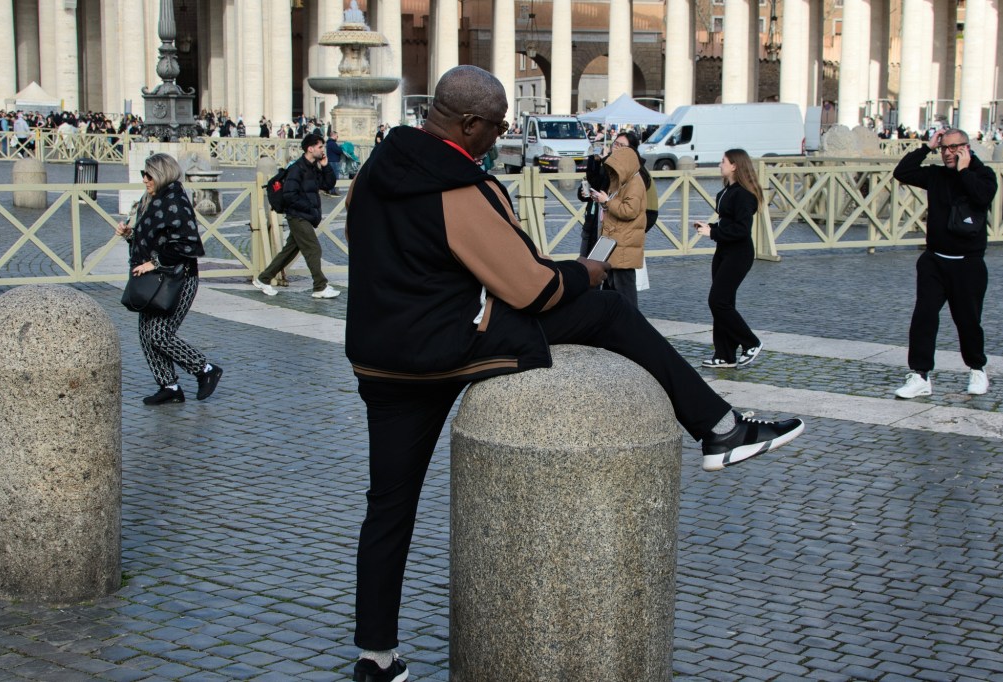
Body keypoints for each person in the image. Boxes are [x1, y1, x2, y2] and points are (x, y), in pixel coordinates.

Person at [343, 65, 804, 682]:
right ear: (471, 124)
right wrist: (585, 272)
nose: (502, 134)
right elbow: (531, 288)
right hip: (449, 344)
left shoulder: (373, 170)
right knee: (606, 310)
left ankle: (375, 658)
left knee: (388, 508)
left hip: (380, 358)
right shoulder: (459, 187)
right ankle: (719, 428)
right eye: (498, 125)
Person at [892, 127, 998, 398]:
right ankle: (920, 375)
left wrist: (964, 171)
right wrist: (926, 147)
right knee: (924, 316)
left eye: (954, 147)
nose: (948, 153)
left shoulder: (984, 175)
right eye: (943, 148)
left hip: (968, 263)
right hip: (934, 261)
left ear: (966, 147)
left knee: (968, 320)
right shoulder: (936, 175)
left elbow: (982, 197)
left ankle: (977, 369)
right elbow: (902, 172)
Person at [114, 153, 223, 405]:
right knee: (146, 334)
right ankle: (169, 387)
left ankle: (205, 369)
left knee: (159, 334)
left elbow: (186, 244)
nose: (144, 179)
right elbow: (152, 240)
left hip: (178, 279)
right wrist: (130, 235)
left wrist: (154, 263)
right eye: (143, 174)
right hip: (153, 280)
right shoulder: (151, 200)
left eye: (149, 175)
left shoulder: (175, 201)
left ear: (162, 175)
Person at [695, 149, 765, 369]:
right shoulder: (728, 191)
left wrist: (713, 233)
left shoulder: (744, 194)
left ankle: (751, 343)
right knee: (723, 302)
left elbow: (742, 229)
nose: (720, 165)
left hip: (738, 254)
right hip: (723, 251)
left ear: (734, 165)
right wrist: (710, 227)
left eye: (723, 161)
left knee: (718, 301)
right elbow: (727, 222)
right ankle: (725, 355)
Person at [253, 133, 340, 299]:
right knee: (313, 248)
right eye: (320, 147)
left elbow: (328, 184)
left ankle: (263, 279)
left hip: (304, 215)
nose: (323, 150)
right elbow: (289, 195)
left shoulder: (313, 167)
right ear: (310, 149)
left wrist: (325, 166)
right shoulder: (297, 169)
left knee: (289, 251)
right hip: (298, 216)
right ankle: (320, 286)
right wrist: (309, 208)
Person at [586, 141, 646, 307]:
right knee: (613, 287)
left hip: (624, 243)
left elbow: (629, 211)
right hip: (617, 242)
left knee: (624, 291)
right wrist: (604, 201)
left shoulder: (634, 183)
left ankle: (629, 321)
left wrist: (607, 202)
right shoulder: (623, 181)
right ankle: (617, 319)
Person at [325, 130, 344, 196]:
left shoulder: (329, 143)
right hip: (334, 161)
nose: (337, 137)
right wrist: (341, 149)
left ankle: (329, 190)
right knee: (335, 177)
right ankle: (333, 191)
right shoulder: (332, 143)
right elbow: (338, 151)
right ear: (334, 136)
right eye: (337, 136)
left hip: (331, 161)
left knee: (331, 176)